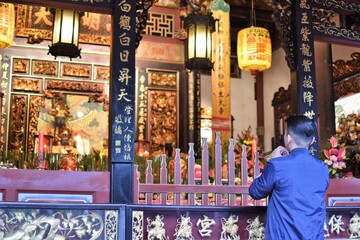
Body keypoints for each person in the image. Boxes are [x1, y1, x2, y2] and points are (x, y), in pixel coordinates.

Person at [249, 115, 329, 240]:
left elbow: (255, 191)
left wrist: (272, 160)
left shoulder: (277, 165)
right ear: (312, 140)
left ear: (289, 138)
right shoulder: (323, 168)